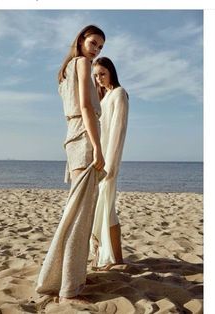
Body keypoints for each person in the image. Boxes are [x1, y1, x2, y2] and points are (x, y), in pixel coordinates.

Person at [35, 25, 106, 305]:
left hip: (72, 136)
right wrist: (98, 147)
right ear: (81, 40)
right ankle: (67, 288)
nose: (96, 49)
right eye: (93, 42)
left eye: (100, 47)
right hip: (84, 138)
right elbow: (86, 109)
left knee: (77, 210)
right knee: (79, 214)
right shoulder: (82, 63)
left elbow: (78, 106)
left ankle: (69, 277)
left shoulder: (64, 71)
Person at [91, 57, 129, 270]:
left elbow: (118, 130)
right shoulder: (104, 98)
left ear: (111, 72)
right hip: (98, 161)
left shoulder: (119, 94)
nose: (99, 79)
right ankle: (114, 257)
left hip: (108, 163)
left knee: (107, 208)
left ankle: (115, 258)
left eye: (102, 74)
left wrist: (111, 166)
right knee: (106, 209)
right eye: (96, 76)